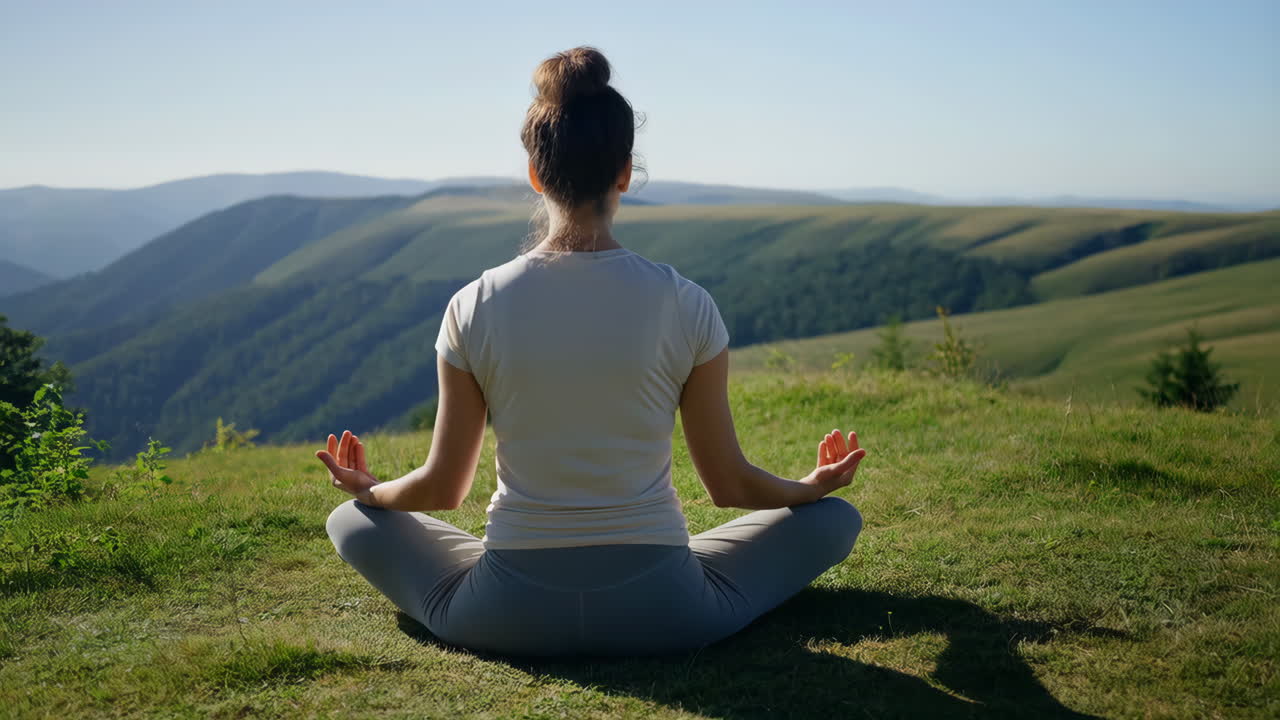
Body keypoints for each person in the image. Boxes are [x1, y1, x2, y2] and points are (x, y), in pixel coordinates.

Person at [319, 46, 866, 657]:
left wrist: (370, 490)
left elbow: (444, 488)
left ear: (535, 174)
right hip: (666, 609)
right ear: (625, 173)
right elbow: (729, 483)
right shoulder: (686, 303)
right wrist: (807, 488)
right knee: (836, 519)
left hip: (506, 613)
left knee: (349, 522)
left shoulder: (473, 303)